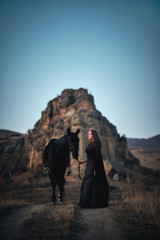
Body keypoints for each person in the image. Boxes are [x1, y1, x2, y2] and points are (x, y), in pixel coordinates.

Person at [77, 130, 109, 208]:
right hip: (89, 166)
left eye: (90, 134)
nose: (89, 135)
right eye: (88, 134)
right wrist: (82, 162)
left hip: (94, 167)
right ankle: (86, 202)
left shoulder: (96, 145)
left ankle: (94, 203)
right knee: (87, 183)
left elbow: (97, 158)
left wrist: (95, 169)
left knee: (92, 183)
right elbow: (91, 157)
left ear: (94, 135)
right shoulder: (91, 144)